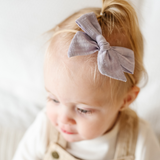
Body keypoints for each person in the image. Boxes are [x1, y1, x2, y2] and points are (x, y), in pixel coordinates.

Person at [12, 0, 160, 160]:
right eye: (54, 99)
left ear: (126, 99)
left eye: (83, 110)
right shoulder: (46, 128)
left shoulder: (139, 140)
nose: (63, 118)